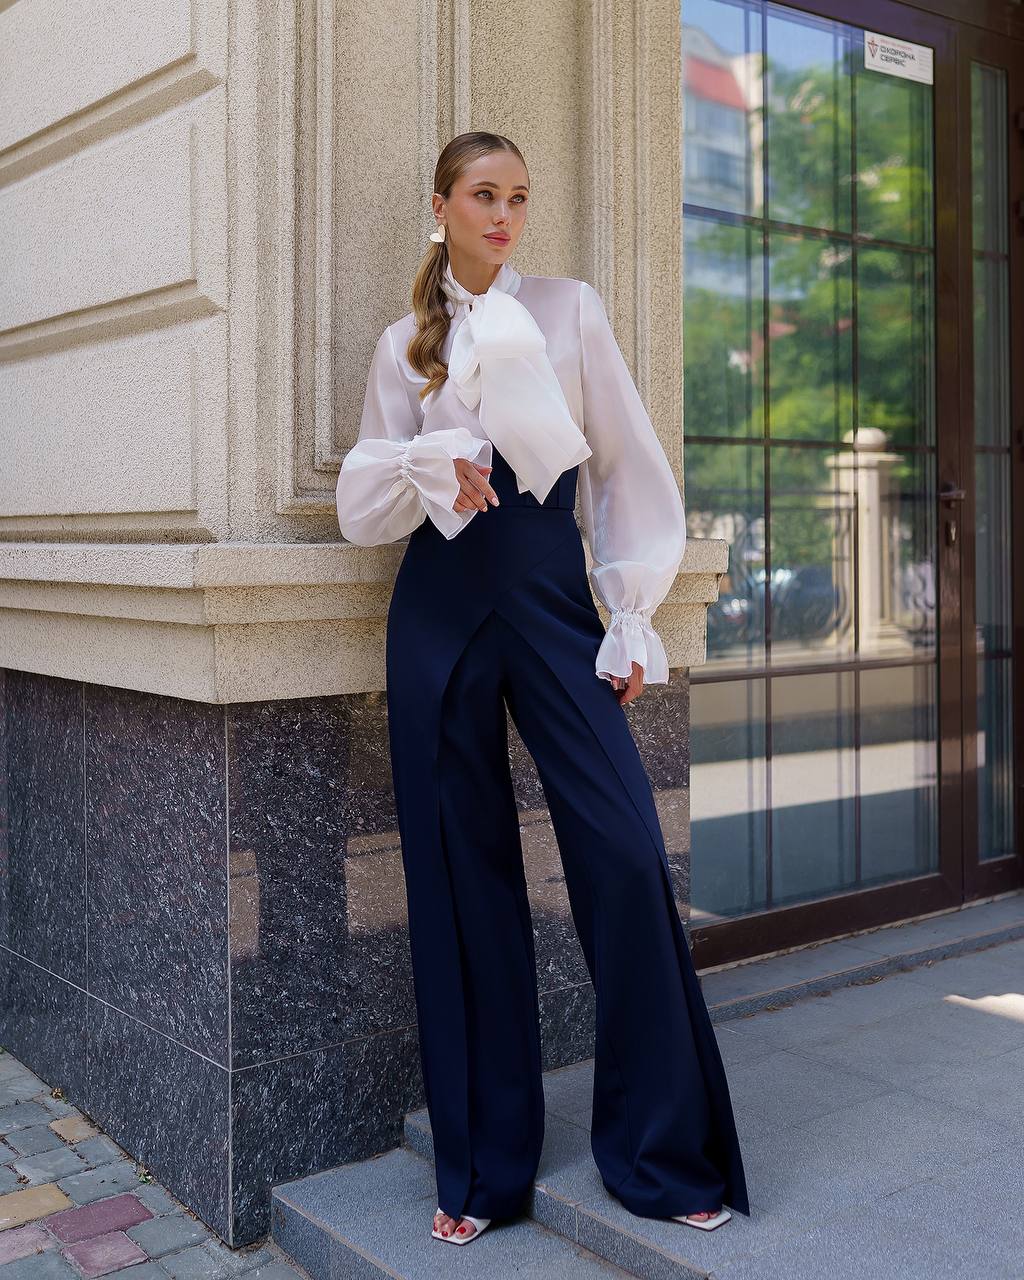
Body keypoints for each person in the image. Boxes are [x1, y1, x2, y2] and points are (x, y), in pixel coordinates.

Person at [335, 131, 750, 1248]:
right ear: (441, 205)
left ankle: (660, 1152)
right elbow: (363, 501)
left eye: (519, 196)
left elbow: (623, 464)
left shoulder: (568, 311)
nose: (505, 215)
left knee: (624, 849)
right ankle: (482, 1168)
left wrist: (630, 613)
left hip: (550, 595)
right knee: (459, 875)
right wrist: (426, 462)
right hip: (437, 609)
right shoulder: (403, 345)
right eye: (484, 195)